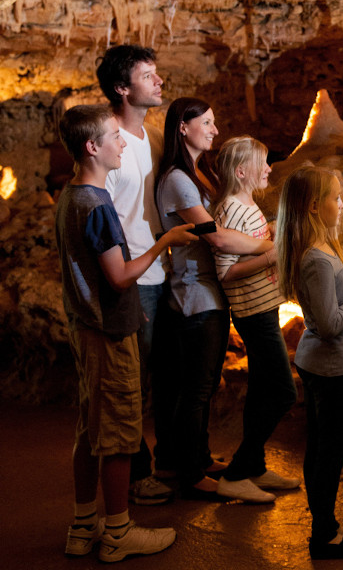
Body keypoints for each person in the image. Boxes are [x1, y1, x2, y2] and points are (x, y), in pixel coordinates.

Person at [55, 104, 195, 561]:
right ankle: (118, 530)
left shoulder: (70, 196)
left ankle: (83, 524)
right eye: (116, 137)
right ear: (92, 147)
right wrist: (165, 243)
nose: (124, 144)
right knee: (117, 433)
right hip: (108, 331)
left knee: (90, 427)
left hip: (89, 324)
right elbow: (118, 277)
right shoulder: (98, 204)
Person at [155, 98, 273, 500]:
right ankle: (191, 473)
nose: (214, 130)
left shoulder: (199, 174)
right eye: (206, 122)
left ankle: (196, 458)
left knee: (201, 385)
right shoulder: (178, 180)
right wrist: (269, 249)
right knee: (197, 388)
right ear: (183, 128)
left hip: (207, 291)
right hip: (195, 294)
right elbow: (218, 237)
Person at [275, 166, 343, 560]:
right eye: (336, 198)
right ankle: (325, 535)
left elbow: (330, 298)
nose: (341, 204)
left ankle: (328, 527)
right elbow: (329, 324)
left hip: (321, 363)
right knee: (329, 451)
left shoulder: (320, 250)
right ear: (314, 206)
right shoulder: (317, 259)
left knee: (321, 447)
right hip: (329, 365)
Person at [96, 44, 172, 506]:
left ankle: (170, 461)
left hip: (163, 271)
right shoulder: (105, 142)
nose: (158, 81)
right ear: (123, 89)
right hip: (129, 279)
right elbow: (96, 214)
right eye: (148, 75)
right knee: (132, 383)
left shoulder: (156, 137)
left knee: (164, 376)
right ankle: (136, 474)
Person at [210, 137, 300, 503]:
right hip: (253, 312)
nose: (269, 169)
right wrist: (272, 256)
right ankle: (235, 474)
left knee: (263, 389)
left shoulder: (246, 204)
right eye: (262, 164)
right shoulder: (231, 209)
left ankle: (256, 468)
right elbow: (225, 272)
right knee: (283, 392)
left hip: (264, 307)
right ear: (241, 171)